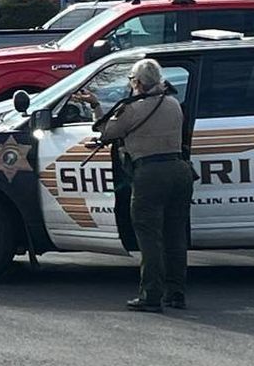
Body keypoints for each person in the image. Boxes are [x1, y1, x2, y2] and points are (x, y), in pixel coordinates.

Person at [73, 58, 193, 313]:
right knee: (175, 235)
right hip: (179, 171)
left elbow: (107, 132)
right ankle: (176, 293)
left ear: (137, 82)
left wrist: (95, 105)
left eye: (131, 80)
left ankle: (151, 294)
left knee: (149, 237)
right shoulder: (173, 104)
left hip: (149, 174)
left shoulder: (133, 109)